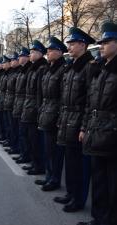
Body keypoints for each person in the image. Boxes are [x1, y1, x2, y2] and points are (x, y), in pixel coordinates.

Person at [55, 27, 99, 213]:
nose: (69, 47)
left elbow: (91, 100)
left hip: (80, 121)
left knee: (80, 165)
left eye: (72, 44)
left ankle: (79, 199)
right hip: (68, 120)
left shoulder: (89, 67)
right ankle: (71, 194)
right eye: (69, 44)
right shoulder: (72, 66)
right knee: (70, 162)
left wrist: (84, 126)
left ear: (83, 44)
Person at [78, 21, 117, 225]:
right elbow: (89, 103)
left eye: (107, 41)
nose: (101, 45)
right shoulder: (100, 70)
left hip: (112, 135)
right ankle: (98, 219)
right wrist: (84, 127)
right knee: (99, 180)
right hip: (96, 132)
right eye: (100, 42)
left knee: (113, 184)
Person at [36, 37, 68, 191]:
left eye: (50, 50)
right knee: (48, 149)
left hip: (55, 115)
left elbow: (64, 97)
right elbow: (44, 95)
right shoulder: (49, 69)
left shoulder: (63, 70)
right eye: (47, 50)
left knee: (55, 152)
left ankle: (54, 179)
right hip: (47, 113)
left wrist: (60, 117)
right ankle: (49, 176)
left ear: (59, 52)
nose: (47, 52)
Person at [21, 40, 48, 175]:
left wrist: (38, 111)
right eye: (30, 52)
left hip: (35, 110)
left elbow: (40, 93)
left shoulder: (41, 69)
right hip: (29, 108)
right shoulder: (34, 68)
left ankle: (39, 166)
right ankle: (34, 163)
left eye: (32, 52)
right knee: (31, 138)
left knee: (36, 141)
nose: (30, 55)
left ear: (40, 53)